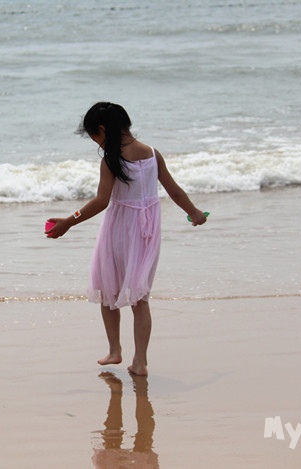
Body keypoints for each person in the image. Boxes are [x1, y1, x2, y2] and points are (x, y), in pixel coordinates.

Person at [46, 102, 207, 376]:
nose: (96, 142)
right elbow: (175, 191)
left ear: (102, 129)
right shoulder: (153, 154)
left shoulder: (111, 160)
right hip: (147, 233)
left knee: (109, 288)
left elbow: (101, 201)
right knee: (140, 298)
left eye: (94, 136)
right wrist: (194, 213)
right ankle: (141, 361)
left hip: (120, 229)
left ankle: (115, 350)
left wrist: (68, 222)